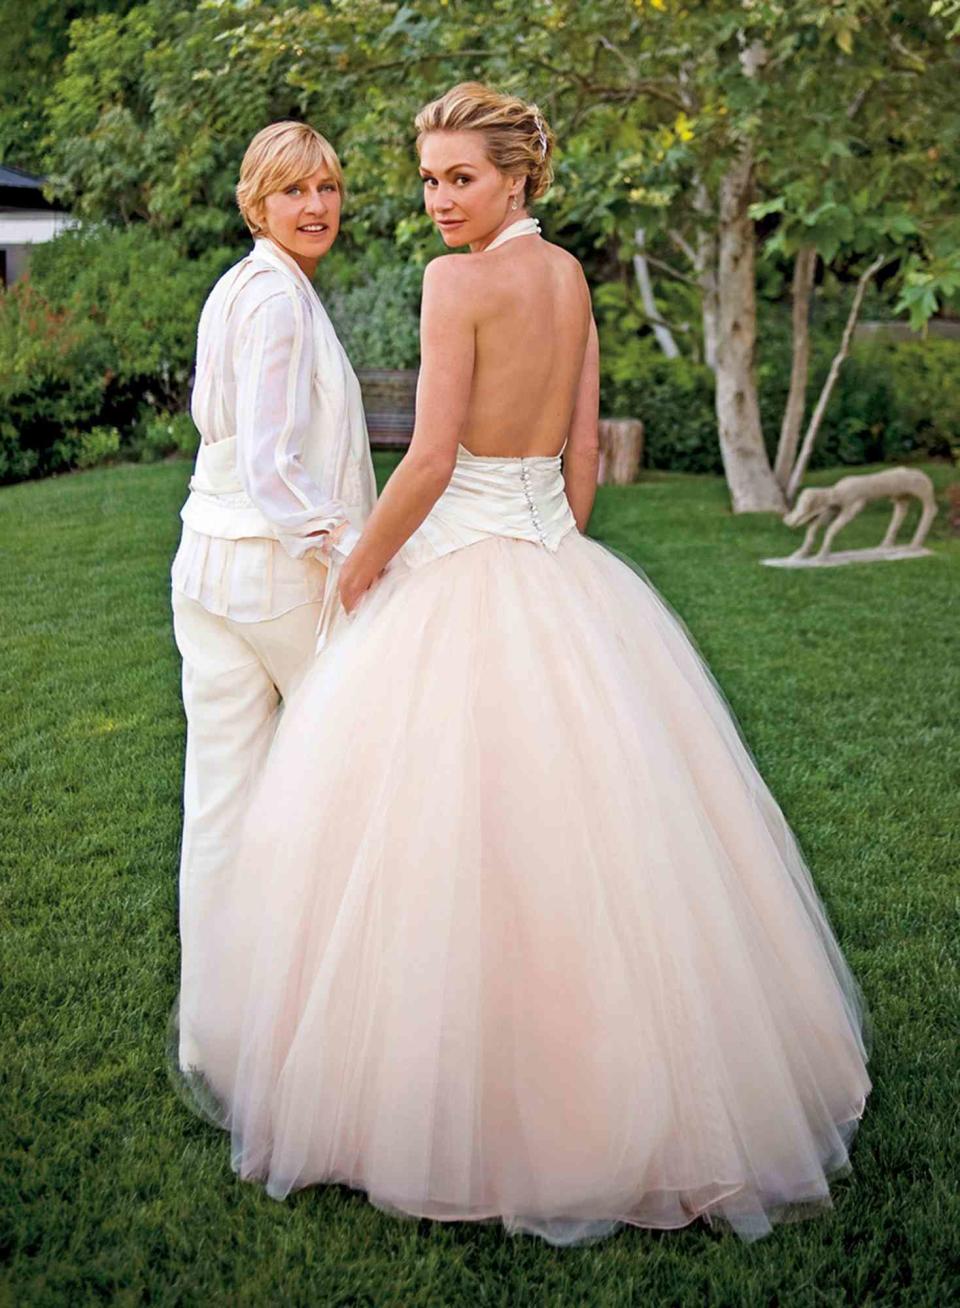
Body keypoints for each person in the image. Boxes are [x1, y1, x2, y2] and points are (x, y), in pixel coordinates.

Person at [170, 84, 871, 1246]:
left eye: (462, 178)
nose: (439, 201)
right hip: (560, 565)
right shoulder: (568, 278)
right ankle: (637, 1087)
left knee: (431, 840)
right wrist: (553, 536)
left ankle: (450, 1101)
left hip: (460, 559)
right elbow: (580, 457)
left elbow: (434, 455)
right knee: (600, 838)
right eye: (429, 177)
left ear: (517, 178)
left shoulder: (460, 283)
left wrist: (362, 566)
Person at [170, 121, 377, 1073]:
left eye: (328, 189)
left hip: (203, 564)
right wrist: (348, 545)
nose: (317, 207)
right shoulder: (279, 300)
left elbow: (219, 435)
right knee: (360, 763)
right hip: (267, 569)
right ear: (258, 201)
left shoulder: (240, 287)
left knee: (222, 799)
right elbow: (268, 463)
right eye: (294, 191)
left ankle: (218, 1033)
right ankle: (339, 1013)